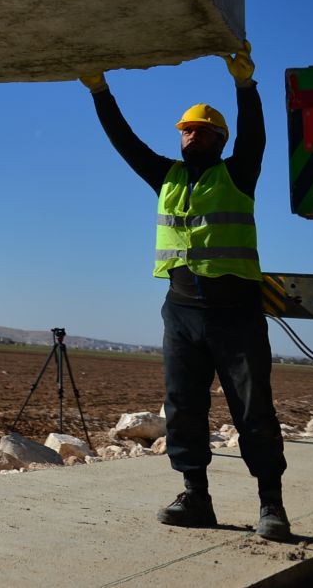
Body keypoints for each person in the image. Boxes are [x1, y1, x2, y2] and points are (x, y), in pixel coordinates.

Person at [81, 42, 291, 543]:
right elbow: (124, 140)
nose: (186, 135)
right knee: (183, 407)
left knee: (253, 408)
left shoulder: (239, 173)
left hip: (236, 312)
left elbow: (256, 133)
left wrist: (245, 85)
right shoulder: (167, 177)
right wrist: (99, 90)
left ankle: (272, 504)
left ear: (218, 138)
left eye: (195, 129)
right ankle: (196, 495)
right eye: (182, 130)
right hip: (181, 313)